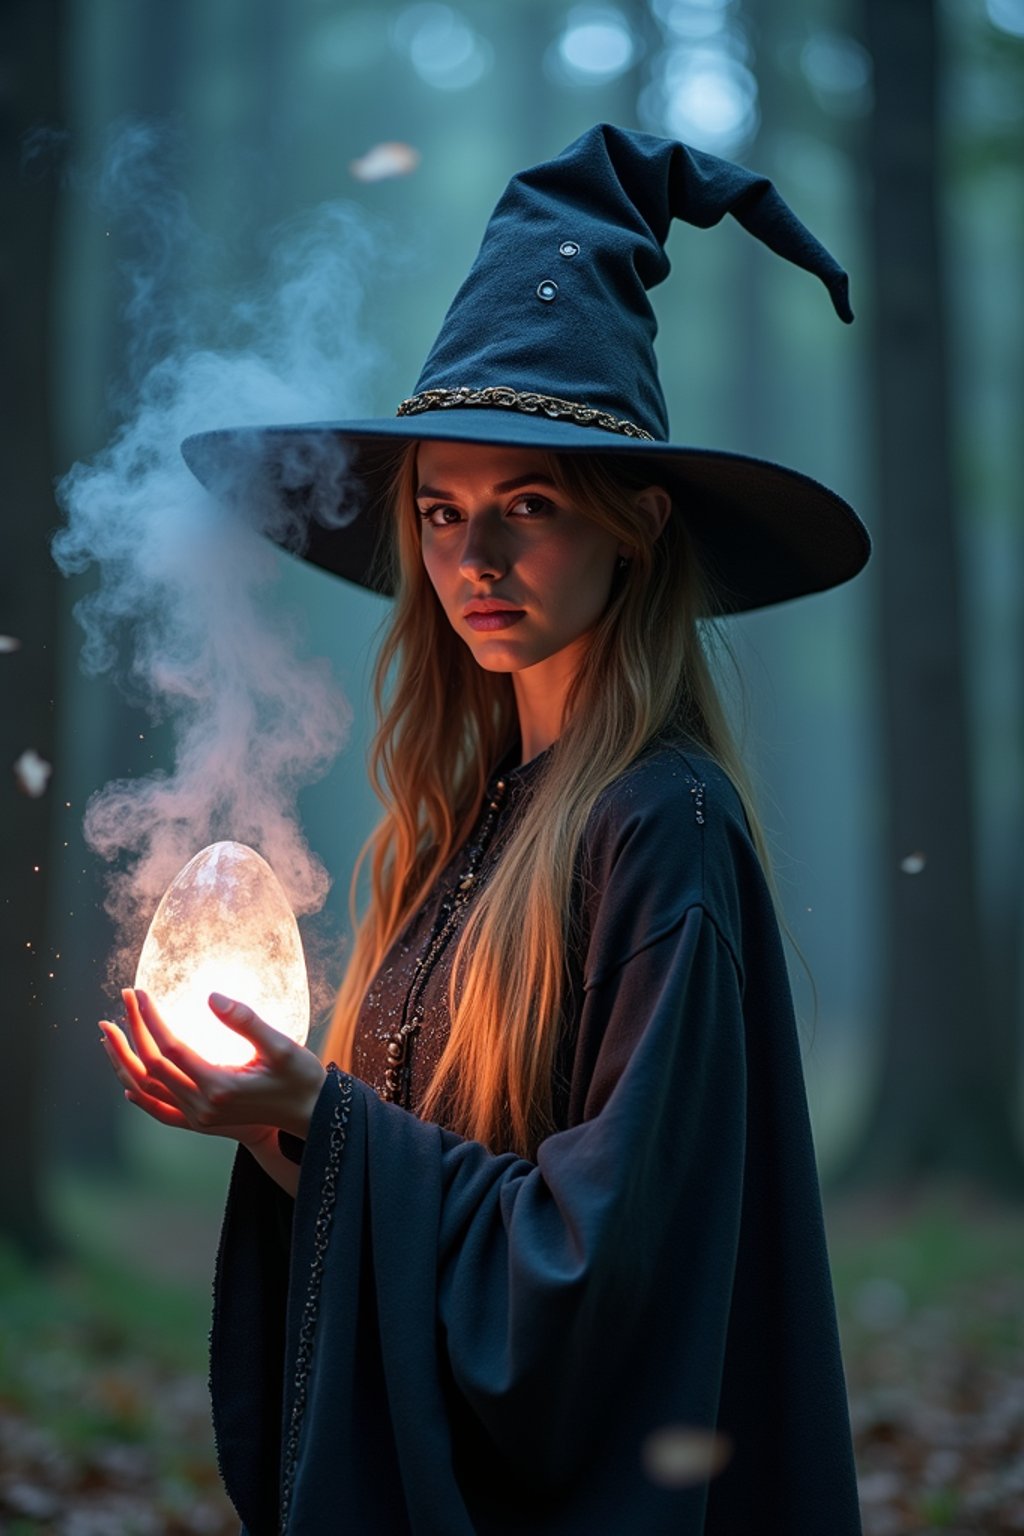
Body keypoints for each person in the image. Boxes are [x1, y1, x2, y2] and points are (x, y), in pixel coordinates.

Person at [100, 125, 868, 1534]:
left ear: (634, 524)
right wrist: (282, 1134)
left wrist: (323, 1120)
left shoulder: (664, 829)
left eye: (530, 507)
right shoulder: (468, 830)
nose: (479, 559)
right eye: (443, 514)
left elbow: (595, 1273)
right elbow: (435, 1173)